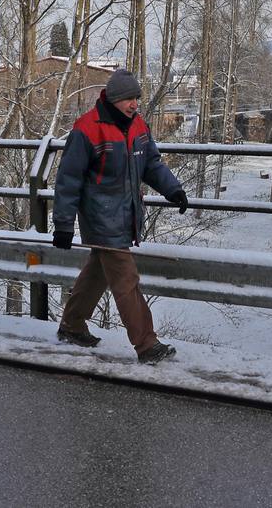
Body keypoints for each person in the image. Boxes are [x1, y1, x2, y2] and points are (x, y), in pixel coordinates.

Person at [51, 67, 189, 364]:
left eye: (137, 98)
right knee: (126, 279)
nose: (134, 104)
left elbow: (151, 164)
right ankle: (147, 344)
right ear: (114, 99)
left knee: (98, 272)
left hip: (126, 215)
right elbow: (68, 180)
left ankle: (72, 326)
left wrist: (173, 190)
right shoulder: (87, 129)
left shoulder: (138, 126)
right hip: (100, 218)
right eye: (129, 99)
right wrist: (63, 224)